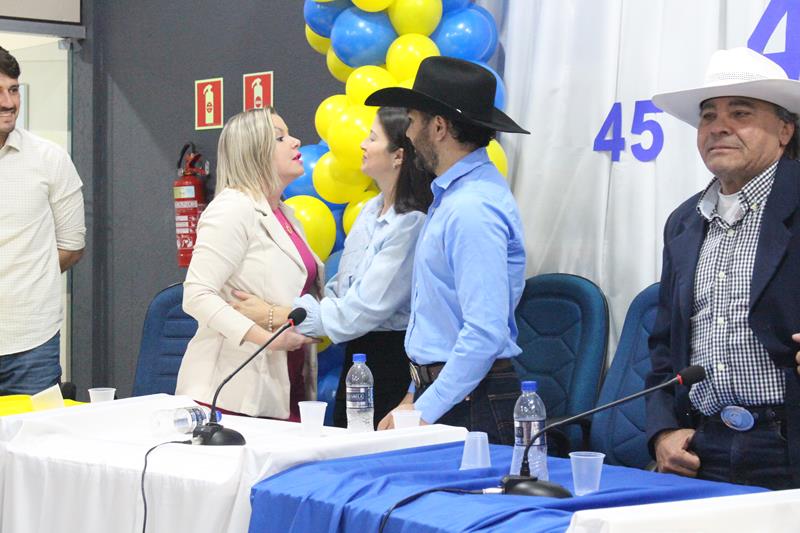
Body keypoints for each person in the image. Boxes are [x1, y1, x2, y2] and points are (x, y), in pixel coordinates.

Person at [646, 47, 800, 489]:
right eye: (708, 116)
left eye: (741, 112)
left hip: (788, 441)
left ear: (785, 129)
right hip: (704, 445)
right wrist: (662, 431)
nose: (719, 127)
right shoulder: (684, 221)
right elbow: (663, 345)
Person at [231, 107, 433, 429]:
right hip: (356, 356)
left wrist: (280, 314)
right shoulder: (368, 211)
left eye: (372, 137)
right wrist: (298, 317)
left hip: (391, 357)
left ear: (398, 156)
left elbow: (360, 310)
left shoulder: (411, 223)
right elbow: (341, 289)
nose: (363, 145)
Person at [365, 56, 530, 444]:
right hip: (455, 392)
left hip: (472, 400)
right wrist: (414, 396)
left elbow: (484, 332)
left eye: (412, 119)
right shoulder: (457, 197)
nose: (407, 131)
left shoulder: (471, 207)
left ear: (438, 127)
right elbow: (443, 321)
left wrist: (426, 405)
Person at [175, 107, 319, 422]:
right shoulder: (232, 208)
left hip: (286, 379)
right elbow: (197, 294)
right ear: (255, 152)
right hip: (233, 391)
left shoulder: (286, 214)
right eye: (280, 138)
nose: (296, 142)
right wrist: (262, 334)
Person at [0, 46, 85, 395]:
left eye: (14, 89)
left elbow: (72, 247)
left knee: (33, 446)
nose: (8, 102)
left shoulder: (50, 159)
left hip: (32, 343)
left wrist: (29, 278)